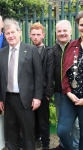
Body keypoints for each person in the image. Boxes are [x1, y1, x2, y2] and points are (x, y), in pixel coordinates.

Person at [0, 18, 43, 150]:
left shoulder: (31, 49)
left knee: (28, 131)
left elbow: (38, 76)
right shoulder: (1, 53)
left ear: (19, 32)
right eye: (7, 33)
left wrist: (37, 97)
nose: (10, 36)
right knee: (11, 131)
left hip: (26, 99)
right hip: (8, 99)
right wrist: (0, 98)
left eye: (12, 32)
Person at [50, 20, 79, 150]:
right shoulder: (52, 50)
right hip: (59, 92)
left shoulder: (76, 47)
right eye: (59, 31)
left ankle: (76, 145)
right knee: (62, 123)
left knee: (77, 124)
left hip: (77, 93)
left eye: (65, 30)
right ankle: (63, 145)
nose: (62, 33)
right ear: (55, 33)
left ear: (71, 31)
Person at [57, 11, 83, 150]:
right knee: (62, 131)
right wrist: (67, 91)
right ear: (78, 26)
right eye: (82, 24)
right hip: (70, 96)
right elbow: (64, 72)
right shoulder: (71, 45)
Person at [29, 22, 54, 150]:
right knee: (32, 120)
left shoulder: (49, 52)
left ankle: (45, 144)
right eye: (33, 34)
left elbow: (50, 74)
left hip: (44, 92)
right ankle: (34, 141)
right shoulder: (27, 50)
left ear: (43, 35)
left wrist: (48, 94)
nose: (36, 37)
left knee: (43, 120)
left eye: (38, 34)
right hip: (30, 92)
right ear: (29, 35)